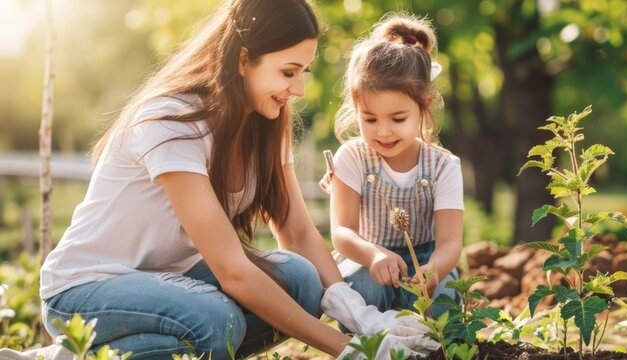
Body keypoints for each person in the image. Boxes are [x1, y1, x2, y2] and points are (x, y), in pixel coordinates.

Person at [38, 1, 438, 359]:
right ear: (244, 59)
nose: (298, 89)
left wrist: (361, 316)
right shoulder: (171, 120)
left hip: (170, 283)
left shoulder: (265, 123)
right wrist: (350, 350)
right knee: (214, 322)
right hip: (85, 289)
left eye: (303, 72)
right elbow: (231, 271)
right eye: (288, 71)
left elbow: (296, 231)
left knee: (301, 281)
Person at [321, 14, 464, 317]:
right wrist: (373, 255)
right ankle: (373, 341)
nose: (383, 131)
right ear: (356, 108)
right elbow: (342, 232)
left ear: (423, 105)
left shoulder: (443, 167)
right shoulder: (353, 157)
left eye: (398, 119)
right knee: (363, 289)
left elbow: (450, 241)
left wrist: (434, 269)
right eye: (369, 119)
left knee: (442, 298)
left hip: (427, 258)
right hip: (369, 257)